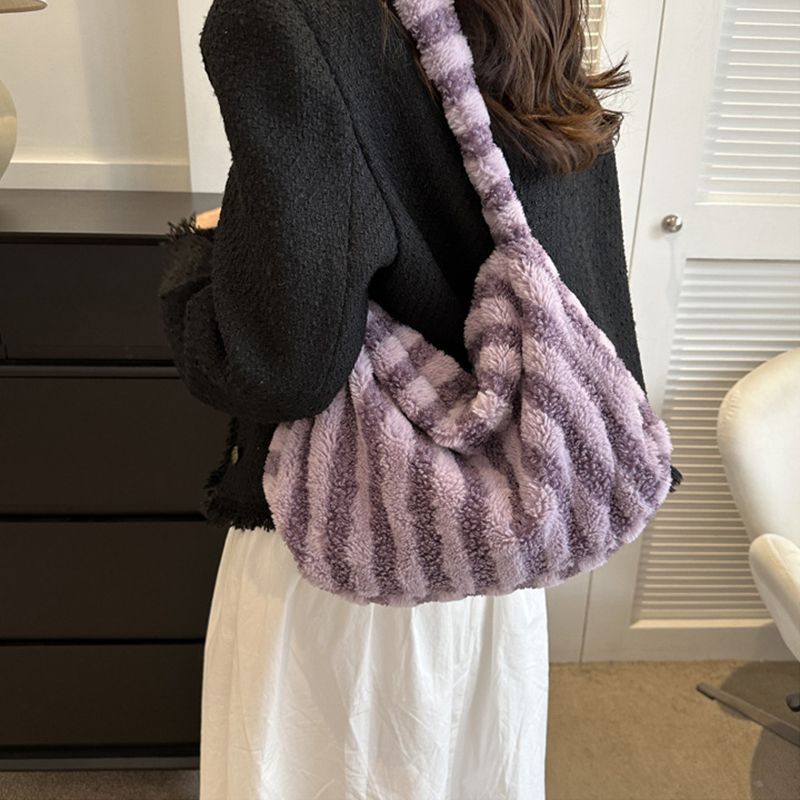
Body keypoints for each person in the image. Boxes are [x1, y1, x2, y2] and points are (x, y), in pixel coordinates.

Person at [159, 1, 644, 797]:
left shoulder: (281, 17)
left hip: (345, 551)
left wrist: (200, 256)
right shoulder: (536, 12)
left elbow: (277, 369)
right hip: (495, 557)